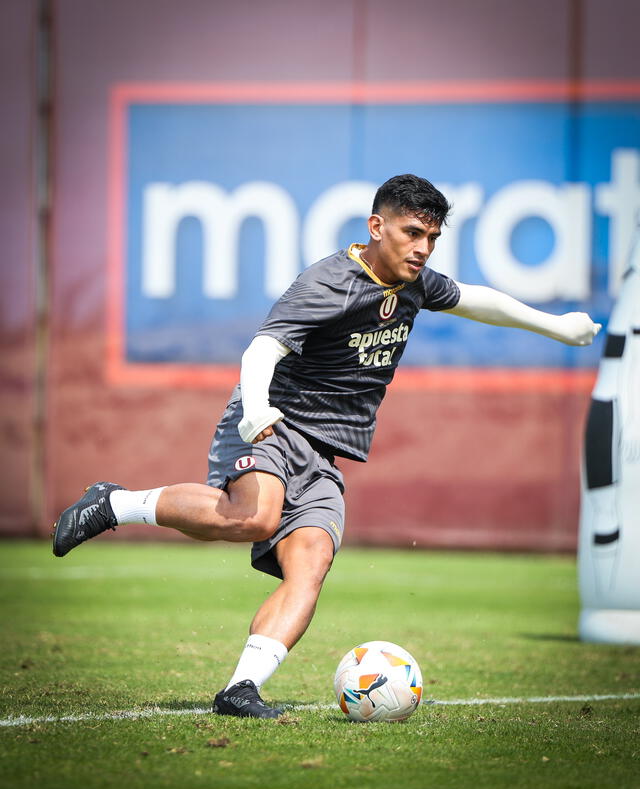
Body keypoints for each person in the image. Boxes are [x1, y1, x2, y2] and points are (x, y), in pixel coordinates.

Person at [52, 174, 601, 718]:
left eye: (432, 239)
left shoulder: (416, 282)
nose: (422, 249)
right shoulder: (329, 282)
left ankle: (240, 690)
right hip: (271, 421)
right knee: (257, 516)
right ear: (375, 226)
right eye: (412, 234)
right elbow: (260, 351)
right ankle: (114, 503)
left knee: (311, 561)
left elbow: (473, 300)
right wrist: (259, 408)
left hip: (323, 452)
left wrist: (558, 327)